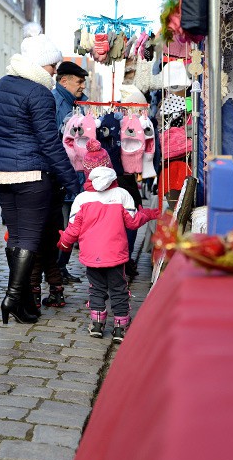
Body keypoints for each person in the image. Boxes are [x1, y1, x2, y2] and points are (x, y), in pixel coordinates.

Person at [0, 25, 79, 325]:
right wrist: (72, 182)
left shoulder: (1, 85)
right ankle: (13, 297)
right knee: (29, 237)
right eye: (53, 64)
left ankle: (24, 301)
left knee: (16, 235)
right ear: (41, 62)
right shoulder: (40, 93)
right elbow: (49, 142)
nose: (54, 71)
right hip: (30, 173)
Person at [57, 139, 159, 343]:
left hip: (92, 256)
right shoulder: (122, 194)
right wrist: (148, 214)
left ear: (87, 173)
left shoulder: (82, 199)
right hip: (116, 255)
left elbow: (73, 230)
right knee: (119, 289)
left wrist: (64, 243)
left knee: (96, 288)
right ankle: (120, 326)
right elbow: (132, 223)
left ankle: (97, 324)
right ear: (109, 166)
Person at [52, 60, 89, 284]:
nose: (82, 86)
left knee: (71, 224)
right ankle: (56, 270)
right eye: (79, 82)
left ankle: (61, 268)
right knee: (64, 226)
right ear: (63, 81)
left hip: (75, 174)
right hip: (63, 174)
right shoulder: (57, 102)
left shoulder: (78, 103)